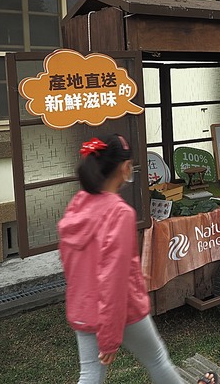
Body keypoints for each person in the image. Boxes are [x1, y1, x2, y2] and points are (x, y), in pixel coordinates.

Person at [58, 133, 184, 384]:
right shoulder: (119, 213)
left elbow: (79, 262)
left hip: (83, 307)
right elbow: (112, 281)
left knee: (90, 374)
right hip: (121, 310)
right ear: (126, 168)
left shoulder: (78, 203)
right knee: (157, 359)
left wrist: (133, 272)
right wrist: (109, 339)